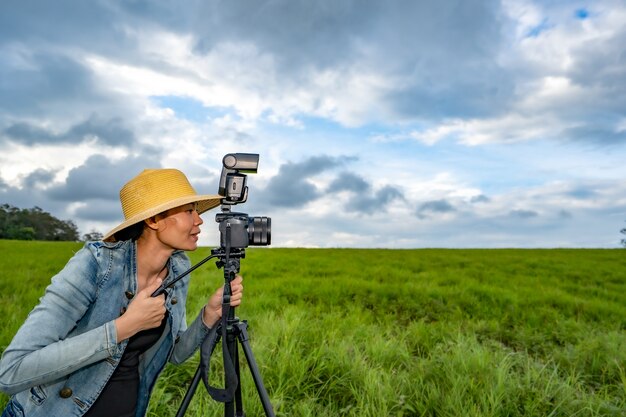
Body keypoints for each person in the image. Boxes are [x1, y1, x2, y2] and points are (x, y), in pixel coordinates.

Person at [0, 168, 243, 417]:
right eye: (189, 211)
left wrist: (209, 315)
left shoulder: (177, 268)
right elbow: (12, 371)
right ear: (153, 220)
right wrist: (124, 327)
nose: (199, 220)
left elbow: (175, 354)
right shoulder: (96, 265)